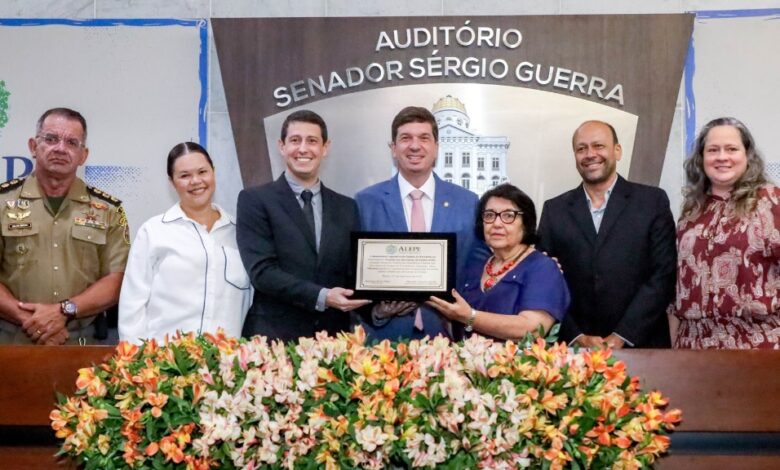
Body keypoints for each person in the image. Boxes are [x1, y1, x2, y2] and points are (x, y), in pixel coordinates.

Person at [536, 120, 676, 348]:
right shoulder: (555, 210)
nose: (590, 154)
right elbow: (545, 281)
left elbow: (663, 275)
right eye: (581, 149)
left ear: (617, 151)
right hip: (574, 353)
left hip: (642, 345)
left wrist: (622, 335)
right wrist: (576, 336)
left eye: (598, 146)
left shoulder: (652, 202)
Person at [355, 106, 490, 341]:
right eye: (405, 138)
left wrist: (526, 259)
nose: (415, 146)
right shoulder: (365, 202)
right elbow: (350, 272)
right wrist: (374, 311)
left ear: (436, 147)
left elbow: (481, 266)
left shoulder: (467, 202)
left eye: (424, 138)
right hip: (382, 338)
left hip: (447, 335)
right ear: (393, 148)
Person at [0, 107, 129, 345]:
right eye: (50, 139)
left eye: (72, 142)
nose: (60, 148)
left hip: (82, 342)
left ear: (83, 155)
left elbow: (117, 279)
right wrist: (34, 323)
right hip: (10, 342)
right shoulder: (2, 203)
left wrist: (64, 311)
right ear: (33, 146)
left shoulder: (110, 210)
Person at [237, 110, 369, 341]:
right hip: (274, 342)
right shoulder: (254, 200)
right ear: (282, 146)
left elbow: (352, 275)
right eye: (295, 140)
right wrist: (323, 296)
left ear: (325, 148)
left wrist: (379, 305)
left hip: (332, 345)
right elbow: (262, 272)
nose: (303, 149)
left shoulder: (347, 207)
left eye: (312, 141)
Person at [118, 142, 250, 343]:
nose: (196, 181)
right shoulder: (154, 232)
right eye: (184, 175)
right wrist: (137, 362)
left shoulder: (240, 231)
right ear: (172, 182)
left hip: (226, 365)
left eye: (202, 172)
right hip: (166, 363)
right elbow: (132, 305)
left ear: (213, 172)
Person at [670, 117, 779, 349]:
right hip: (693, 347)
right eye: (713, 150)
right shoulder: (692, 210)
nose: (722, 157)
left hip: (759, 346)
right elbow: (678, 285)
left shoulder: (771, 202)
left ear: (747, 155)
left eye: (731, 149)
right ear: (701, 158)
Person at [427, 184, 569, 339]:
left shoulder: (542, 267)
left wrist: (470, 316)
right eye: (489, 215)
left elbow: (532, 329)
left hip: (517, 362)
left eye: (508, 216)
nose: (497, 223)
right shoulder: (476, 267)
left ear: (526, 223)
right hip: (468, 360)